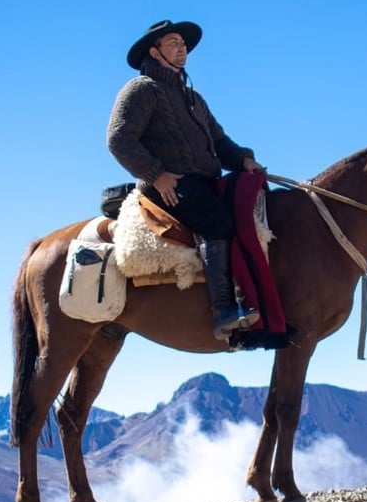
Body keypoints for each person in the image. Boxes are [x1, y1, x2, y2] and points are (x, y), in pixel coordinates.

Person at [107, 19, 263, 341]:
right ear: (155, 51)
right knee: (217, 223)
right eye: (174, 43)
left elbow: (220, 142)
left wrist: (243, 160)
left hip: (204, 181)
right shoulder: (141, 89)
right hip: (172, 184)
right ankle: (223, 311)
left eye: (183, 44)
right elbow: (119, 139)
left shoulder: (194, 98)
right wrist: (156, 175)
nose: (183, 49)